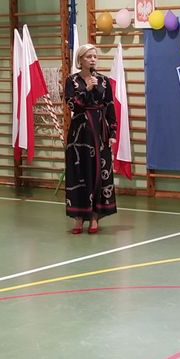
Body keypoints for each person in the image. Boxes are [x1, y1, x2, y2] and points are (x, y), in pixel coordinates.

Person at [64, 44, 118, 234]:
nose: (93, 59)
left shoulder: (104, 81)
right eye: (88, 56)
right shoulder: (71, 80)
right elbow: (72, 105)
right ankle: (78, 217)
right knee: (79, 172)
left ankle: (95, 217)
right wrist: (86, 89)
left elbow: (110, 106)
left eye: (95, 56)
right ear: (80, 60)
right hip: (80, 134)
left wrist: (112, 133)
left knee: (98, 173)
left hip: (100, 133)